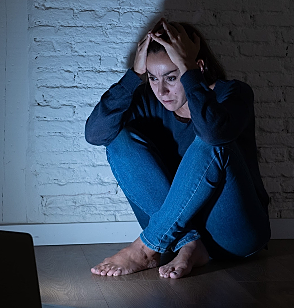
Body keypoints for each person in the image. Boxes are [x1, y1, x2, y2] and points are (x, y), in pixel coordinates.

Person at [85, 19, 270, 279]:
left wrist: (190, 72)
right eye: (152, 78)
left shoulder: (233, 94)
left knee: (210, 142)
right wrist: (133, 76)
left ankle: (146, 248)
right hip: (177, 236)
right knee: (118, 141)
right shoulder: (147, 99)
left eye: (172, 77)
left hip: (233, 233)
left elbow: (212, 133)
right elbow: (96, 134)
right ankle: (190, 245)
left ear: (196, 67)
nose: (161, 90)